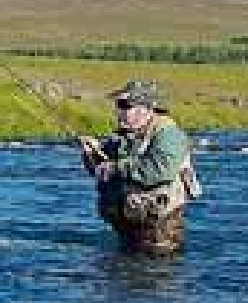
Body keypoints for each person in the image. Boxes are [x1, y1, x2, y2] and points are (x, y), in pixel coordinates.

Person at [79, 80, 201, 256]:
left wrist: (115, 167)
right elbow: (101, 171)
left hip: (158, 229)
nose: (118, 111)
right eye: (118, 105)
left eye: (124, 105)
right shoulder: (122, 137)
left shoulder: (169, 135)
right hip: (129, 222)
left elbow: (160, 170)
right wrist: (90, 154)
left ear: (145, 108)